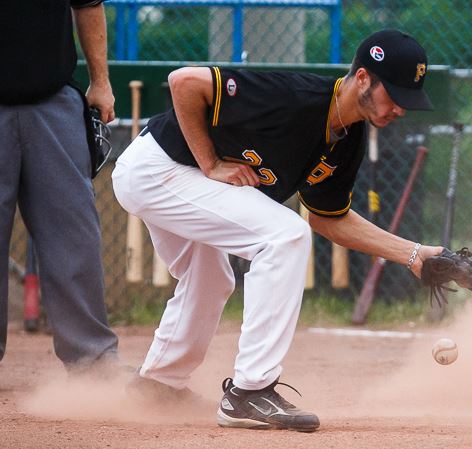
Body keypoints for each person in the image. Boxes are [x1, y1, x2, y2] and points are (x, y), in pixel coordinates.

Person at [112, 29, 443, 432]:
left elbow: (328, 217)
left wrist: (414, 254)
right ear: (362, 79)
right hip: (157, 169)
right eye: (395, 94)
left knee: (212, 278)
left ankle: (159, 386)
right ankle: (251, 391)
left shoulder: (347, 139)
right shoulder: (293, 96)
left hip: (176, 177)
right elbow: (185, 81)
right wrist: (210, 163)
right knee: (285, 235)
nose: (401, 110)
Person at [0, 2, 119, 372]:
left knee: (74, 234)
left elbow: (88, 3)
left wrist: (100, 81)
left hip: (53, 99)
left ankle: (92, 361)